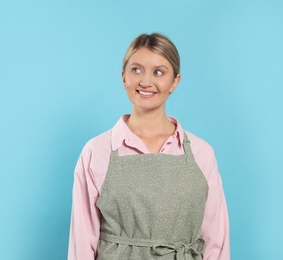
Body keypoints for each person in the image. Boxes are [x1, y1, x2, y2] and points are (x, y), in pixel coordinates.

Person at [68, 33, 230, 260]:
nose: (145, 81)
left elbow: (216, 242)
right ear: (123, 76)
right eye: (136, 70)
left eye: (159, 72)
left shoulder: (202, 153)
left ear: (175, 81)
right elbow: (82, 242)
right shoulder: (97, 151)